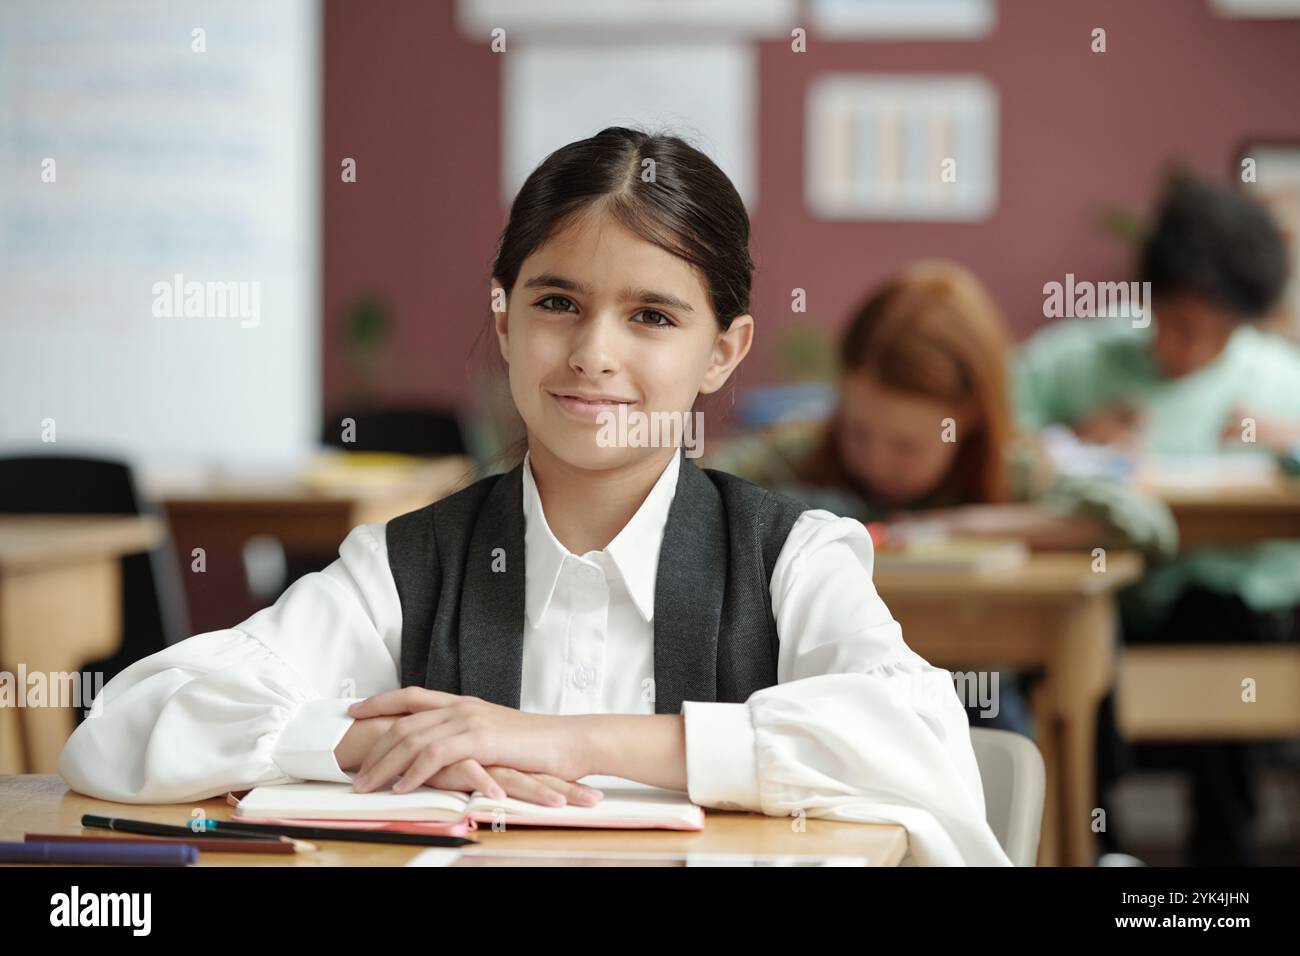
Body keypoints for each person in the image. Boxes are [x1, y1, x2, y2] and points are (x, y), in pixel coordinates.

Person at [59, 128, 1010, 866]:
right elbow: (124, 729)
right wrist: (360, 745)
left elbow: (921, 739)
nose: (595, 351)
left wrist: (555, 741)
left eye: (651, 315)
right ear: (504, 321)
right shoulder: (405, 563)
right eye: (557, 302)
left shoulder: (791, 556)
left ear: (723, 351)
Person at [702, 261, 1179, 737]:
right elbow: (691, 480)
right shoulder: (805, 456)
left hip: (975, 699)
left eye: (907, 446)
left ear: (968, 418)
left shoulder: (1012, 471)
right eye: (858, 432)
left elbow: (1143, 523)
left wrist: (964, 525)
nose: (876, 461)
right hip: (828, 699)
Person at [1014, 171, 1300, 865]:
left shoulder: (1277, 378)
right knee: (1080, 630)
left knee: (1223, 627)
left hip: (1228, 598)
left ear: (1243, 323)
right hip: (1111, 592)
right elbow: (993, 428)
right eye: (1170, 324)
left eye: (1204, 335)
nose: (1179, 348)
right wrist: (1073, 439)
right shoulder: (1081, 357)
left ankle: (1223, 859)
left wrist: (1286, 445)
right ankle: (1100, 849)